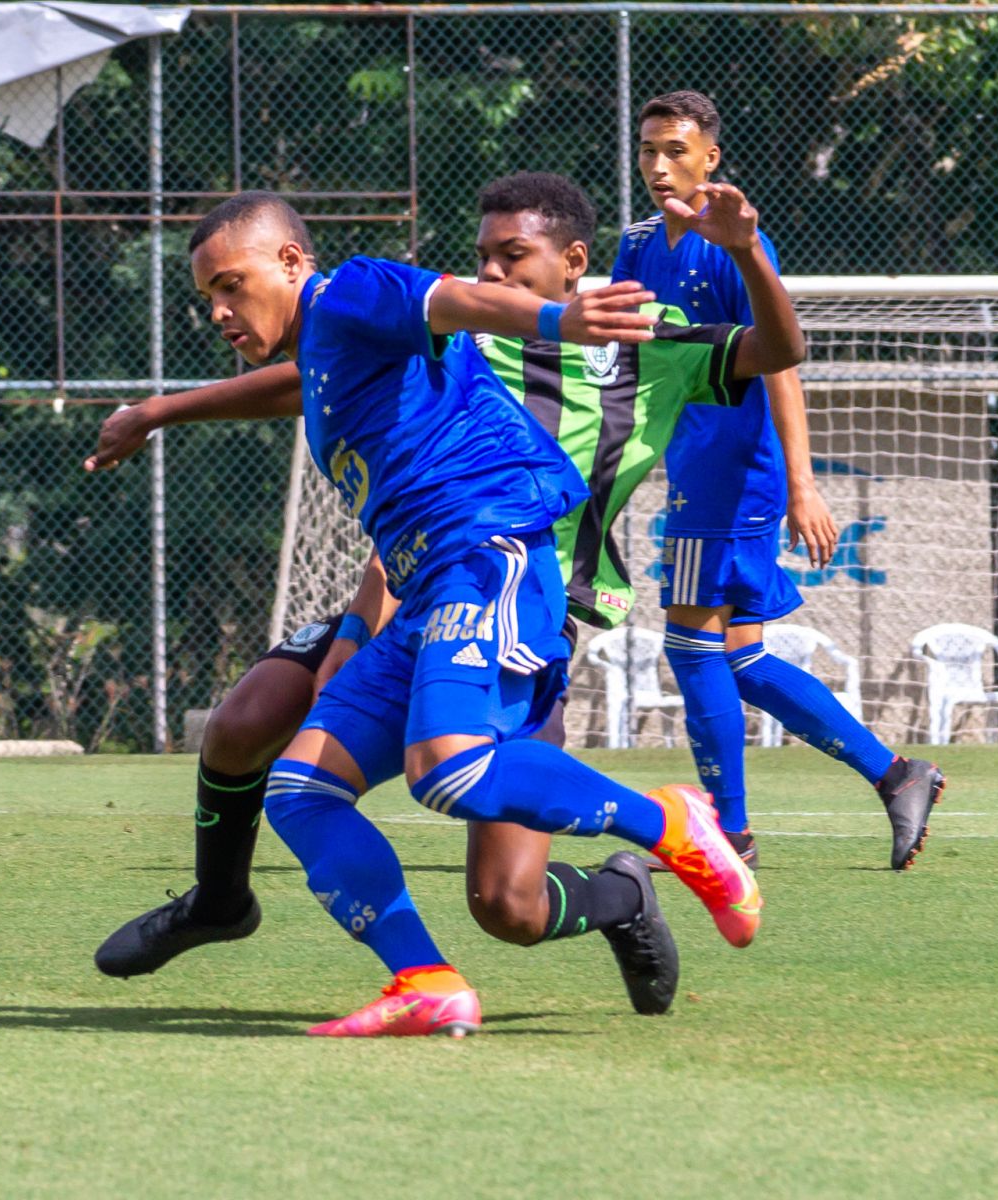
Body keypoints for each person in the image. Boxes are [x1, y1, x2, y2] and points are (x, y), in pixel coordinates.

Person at [89, 173, 802, 1022]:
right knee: (300, 792)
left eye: (229, 286)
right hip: (429, 586)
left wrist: (567, 317)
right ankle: (424, 980)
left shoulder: (361, 287)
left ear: (289, 261)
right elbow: (319, 376)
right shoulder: (332, 344)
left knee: (452, 780)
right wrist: (158, 412)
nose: (218, 311)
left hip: (498, 558)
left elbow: (455, 300)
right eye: (208, 294)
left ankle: (671, 822)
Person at [612, 90, 945, 871]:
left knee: (690, 647)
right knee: (738, 658)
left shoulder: (733, 245)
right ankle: (898, 775)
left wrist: (803, 484)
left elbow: (782, 364)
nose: (659, 165)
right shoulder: (633, 245)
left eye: (676, 150)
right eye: (649, 149)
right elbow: (630, 362)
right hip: (692, 460)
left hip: (735, 468)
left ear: (710, 158)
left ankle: (730, 836)